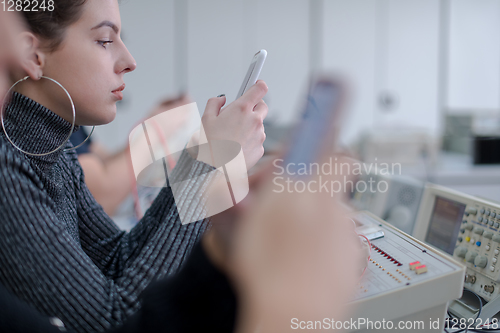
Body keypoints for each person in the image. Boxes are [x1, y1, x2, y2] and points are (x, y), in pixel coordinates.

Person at [0, 0, 267, 332]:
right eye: (105, 41)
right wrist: (210, 166)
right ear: (32, 56)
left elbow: (117, 260)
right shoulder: (8, 170)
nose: (130, 61)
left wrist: (201, 160)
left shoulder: (56, 153)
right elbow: (116, 322)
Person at [69, 94, 192, 217]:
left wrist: (152, 122)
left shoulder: (73, 122)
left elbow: (105, 163)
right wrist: (155, 130)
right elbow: (97, 199)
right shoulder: (59, 123)